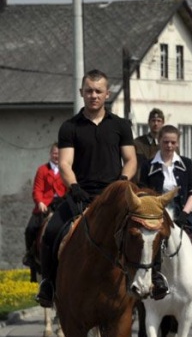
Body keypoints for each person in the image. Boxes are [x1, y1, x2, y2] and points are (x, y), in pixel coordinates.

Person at [35, 69, 139, 307]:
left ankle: (150, 279)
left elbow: (131, 159)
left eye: (98, 91)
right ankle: (48, 284)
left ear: (107, 94)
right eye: (89, 91)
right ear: (82, 92)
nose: (94, 95)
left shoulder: (121, 125)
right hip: (80, 195)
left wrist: (121, 181)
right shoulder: (70, 127)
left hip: (115, 196)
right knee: (51, 232)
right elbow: (64, 163)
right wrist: (74, 187)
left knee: (144, 231)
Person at [138, 124, 192, 238]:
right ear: (159, 141)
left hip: (184, 212)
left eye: (173, 142)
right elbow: (143, 194)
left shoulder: (186, 163)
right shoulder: (147, 165)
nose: (169, 145)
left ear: (177, 143)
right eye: (165, 142)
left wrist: (185, 213)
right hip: (156, 214)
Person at [23, 144, 67, 279]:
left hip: (62, 204)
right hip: (45, 205)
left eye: (59, 154)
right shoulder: (42, 170)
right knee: (30, 229)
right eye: (54, 153)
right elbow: (37, 189)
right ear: (50, 154)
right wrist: (40, 202)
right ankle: (31, 258)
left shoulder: (66, 170)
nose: (57, 156)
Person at [133, 108, 165, 181]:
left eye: (159, 121)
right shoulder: (138, 143)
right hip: (142, 181)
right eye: (153, 121)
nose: (156, 124)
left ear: (163, 123)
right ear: (149, 122)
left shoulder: (167, 143)